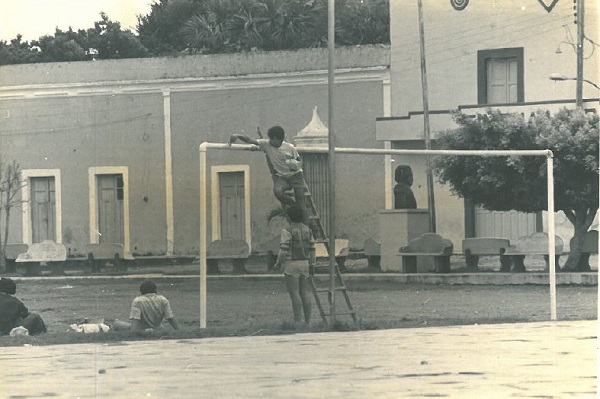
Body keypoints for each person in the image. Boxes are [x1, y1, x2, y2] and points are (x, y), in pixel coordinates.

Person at [229, 126, 309, 225]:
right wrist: (237, 135)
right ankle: (293, 205)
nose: (270, 141)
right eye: (270, 138)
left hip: (296, 176)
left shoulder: (290, 148)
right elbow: (250, 140)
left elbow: (299, 161)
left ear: (280, 139)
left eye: (273, 139)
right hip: (282, 177)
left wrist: (293, 164)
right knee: (277, 191)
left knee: (302, 205)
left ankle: (307, 229)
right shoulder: (267, 144)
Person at [274, 205, 316, 325]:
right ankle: (308, 322)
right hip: (305, 263)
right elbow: (313, 249)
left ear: (288, 217)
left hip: (292, 263)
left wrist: (278, 262)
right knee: (305, 293)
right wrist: (312, 264)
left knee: (294, 293)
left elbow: (283, 249)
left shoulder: (287, 230)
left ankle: (297, 321)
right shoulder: (308, 230)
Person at [113, 280, 179, 332]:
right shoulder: (163, 299)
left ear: (142, 291)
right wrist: (178, 329)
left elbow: (135, 323)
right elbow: (170, 318)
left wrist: (134, 331)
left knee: (116, 323)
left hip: (142, 329)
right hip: (157, 328)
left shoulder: (138, 301)